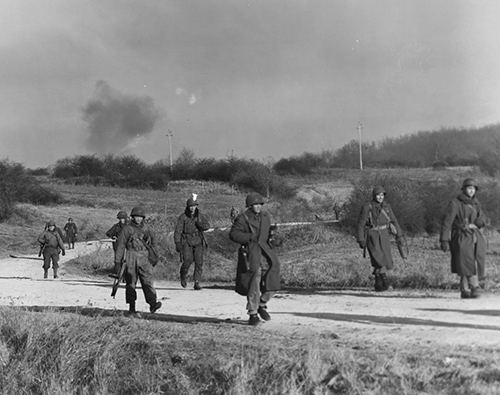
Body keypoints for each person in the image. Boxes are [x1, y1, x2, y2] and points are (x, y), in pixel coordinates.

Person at [229, 192, 281, 326]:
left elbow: (269, 232)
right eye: (255, 204)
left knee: (273, 276)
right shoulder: (243, 218)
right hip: (251, 252)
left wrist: (274, 238)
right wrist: (249, 237)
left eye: (259, 204)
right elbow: (233, 234)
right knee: (254, 280)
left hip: (266, 252)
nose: (258, 206)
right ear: (250, 205)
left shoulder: (266, 216)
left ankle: (262, 303)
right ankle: (252, 313)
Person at [440, 178, 487, 299]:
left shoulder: (476, 203)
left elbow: (482, 217)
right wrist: (444, 239)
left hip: (475, 236)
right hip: (461, 235)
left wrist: (477, 223)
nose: (471, 191)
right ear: (464, 189)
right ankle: (474, 286)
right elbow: (447, 222)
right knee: (466, 261)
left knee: (470, 261)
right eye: (469, 188)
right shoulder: (455, 203)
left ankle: (464, 289)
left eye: (473, 189)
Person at [114, 206, 162, 315]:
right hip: (131, 255)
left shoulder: (147, 229)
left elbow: (154, 243)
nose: (138, 219)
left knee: (148, 281)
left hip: (144, 256)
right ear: (132, 217)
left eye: (140, 217)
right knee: (131, 282)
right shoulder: (127, 229)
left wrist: (154, 256)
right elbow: (121, 246)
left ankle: (153, 304)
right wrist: (117, 262)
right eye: (136, 217)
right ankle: (132, 307)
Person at [356, 185, 403, 292]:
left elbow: (394, 221)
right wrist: (361, 239)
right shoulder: (367, 207)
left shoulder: (387, 207)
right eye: (378, 195)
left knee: (386, 259)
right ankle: (384, 283)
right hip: (372, 235)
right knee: (378, 259)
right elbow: (361, 224)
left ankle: (379, 284)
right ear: (374, 196)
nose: (380, 197)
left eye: (382, 195)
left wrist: (399, 235)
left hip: (384, 235)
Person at [174, 196, 210, 290]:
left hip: (198, 241)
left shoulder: (200, 215)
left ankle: (196, 282)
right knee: (187, 261)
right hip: (187, 241)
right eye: (191, 206)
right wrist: (177, 242)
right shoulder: (183, 217)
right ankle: (183, 275)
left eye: (194, 206)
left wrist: (200, 225)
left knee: (199, 262)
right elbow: (178, 231)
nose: (192, 208)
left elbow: (207, 226)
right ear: (188, 207)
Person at [106, 210, 129, 276]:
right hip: (118, 245)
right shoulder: (116, 226)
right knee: (118, 259)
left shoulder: (129, 226)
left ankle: (129, 274)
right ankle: (117, 273)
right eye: (120, 219)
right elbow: (108, 233)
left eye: (123, 218)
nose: (122, 220)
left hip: (128, 246)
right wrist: (113, 236)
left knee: (130, 259)